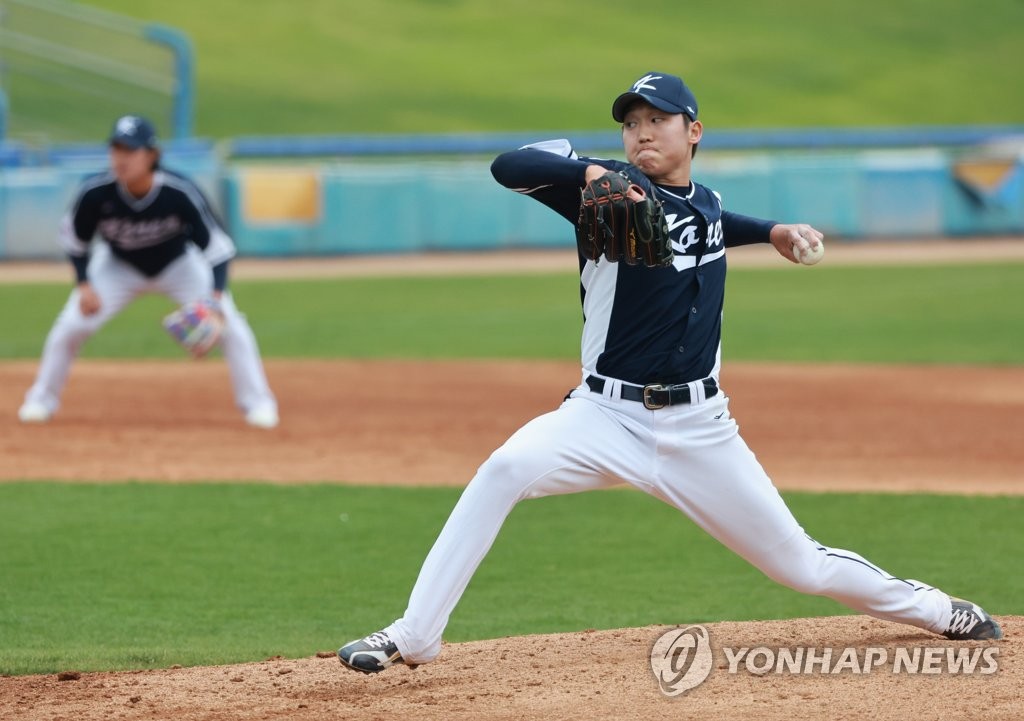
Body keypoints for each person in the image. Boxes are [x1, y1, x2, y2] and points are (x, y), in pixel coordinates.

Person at [337, 72, 1001, 674]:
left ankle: (936, 608)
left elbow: (709, 219)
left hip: (701, 429)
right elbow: (508, 165)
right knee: (504, 469)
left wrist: (772, 231)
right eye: (631, 122)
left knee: (799, 563)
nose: (642, 132)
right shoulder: (605, 202)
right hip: (602, 416)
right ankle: (415, 632)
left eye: (658, 119)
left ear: (694, 131)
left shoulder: (704, 202)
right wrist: (592, 171)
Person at [17, 115, 279, 429]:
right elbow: (75, 242)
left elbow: (218, 249)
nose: (121, 158)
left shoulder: (178, 192)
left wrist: (214, 299)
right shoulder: (95, 193)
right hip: (117, 267)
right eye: (116, 149)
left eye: (130, 150)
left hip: (179, 265)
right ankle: (40, 400)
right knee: (70, 326)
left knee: (232, 326)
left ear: (151, 155)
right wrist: (84, 284)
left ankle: (259, 404)